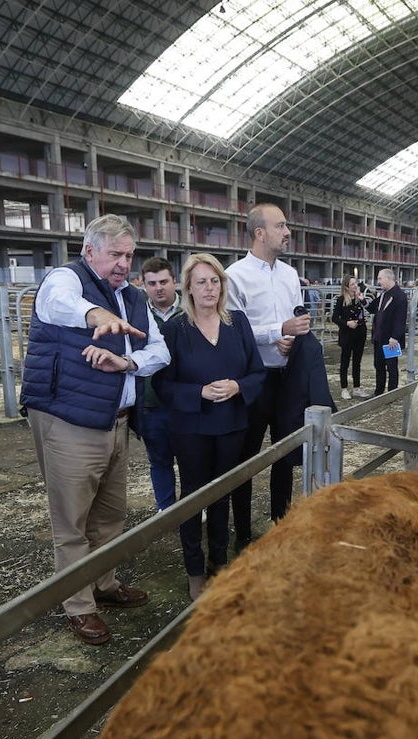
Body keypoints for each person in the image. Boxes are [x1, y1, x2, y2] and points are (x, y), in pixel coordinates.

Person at [19, 214, 169, 645]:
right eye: (115, 254)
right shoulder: (64, 280)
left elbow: (160, 349)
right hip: (69, 419)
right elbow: (56, 306)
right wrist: (95, 312)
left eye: (128, 255)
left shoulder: (135, 298)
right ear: (89, 251)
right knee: (72, 521)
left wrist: (130, 362)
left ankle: (104, 583)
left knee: (109, 514)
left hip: (116, 421)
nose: (124, 263)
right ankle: (79, 605)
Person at [153, 254, 265, 600]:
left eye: (214, 281)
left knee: (222, 494)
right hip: (191, 427)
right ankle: (194, 569)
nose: (209, 288)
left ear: (222, 285)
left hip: (232, 423)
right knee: (193, 496)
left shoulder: (238, 324)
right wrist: (198, 392)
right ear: (187, 287)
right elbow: (161, 384)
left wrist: (238, 387)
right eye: (201, 281)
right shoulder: (174, 330)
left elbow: (258, 373)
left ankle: (219, 559)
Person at [225, 203, 314, 550]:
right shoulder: (235, 275)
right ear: (259, 233)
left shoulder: (290, 275)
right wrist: (277, 330)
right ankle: (243, 533)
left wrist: (296, 335)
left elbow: (296, 315)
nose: (287, 232)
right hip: (254, 378)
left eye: (286, 226)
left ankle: (281, 523)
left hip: (287, 376)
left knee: (284, 452)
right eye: (280, 226)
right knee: (245, 457)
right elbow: (235, 328)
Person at [139, 256, 181, 512]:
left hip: (187, 402)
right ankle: (165, 509)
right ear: (143, 285)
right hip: (152, 402)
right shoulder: (138, 315)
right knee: (159, 460)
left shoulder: (192, 311)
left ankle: (193, 506)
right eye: (152, 283)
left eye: (164, 281)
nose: (158, 288)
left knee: (192, 459)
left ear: (174, 282)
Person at [368, 268, 408, 396]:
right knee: (378, 365)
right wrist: (362, 300)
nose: (378, 281)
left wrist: (395, 337)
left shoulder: (399, 296)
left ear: (388, 278)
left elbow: (400, 319)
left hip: (390, 339)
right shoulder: (383, 294)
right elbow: (372, 308)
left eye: (380, 278)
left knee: (391, 366)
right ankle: (378, 392)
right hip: (379, 337)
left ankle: (391, 393)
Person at [330, 276, 368, 399]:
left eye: (356, 283)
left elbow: (367, 308)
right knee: (345, 361)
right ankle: (344, 388)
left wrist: (361, 300)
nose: (355, 286)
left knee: (357, 361)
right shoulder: (342, 300)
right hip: (347, 333)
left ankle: (356, 387)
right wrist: (347, 323)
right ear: (346, 286)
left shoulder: (359, 298)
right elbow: (335, 317)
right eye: (352, 284)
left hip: (360, 332)